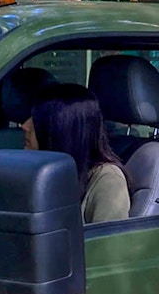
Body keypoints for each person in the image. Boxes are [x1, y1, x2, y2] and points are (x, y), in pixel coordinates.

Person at [31, 83, 131, 223]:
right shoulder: (44, 174)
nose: (25, 126)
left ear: (60, 130)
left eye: (36, 121)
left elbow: (107, 243)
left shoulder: (108, 180)